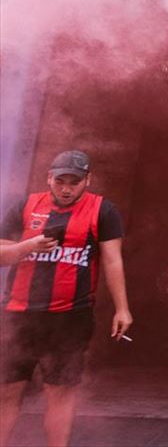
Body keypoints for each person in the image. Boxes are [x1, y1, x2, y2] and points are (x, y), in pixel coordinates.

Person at [0, 150, 132, 447]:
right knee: (6, 391)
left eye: (75, 181)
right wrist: (29, 246)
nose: (66, 188)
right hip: (18, 314)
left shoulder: (103, 211)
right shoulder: (26, 206)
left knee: (59, 392)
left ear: (88, 180)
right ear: (49, 178)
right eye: (61, 181)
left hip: (69, 317)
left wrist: (122, 308)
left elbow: (113, 260)